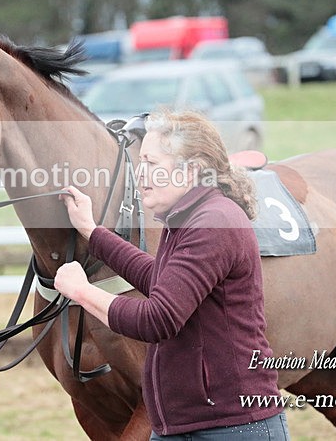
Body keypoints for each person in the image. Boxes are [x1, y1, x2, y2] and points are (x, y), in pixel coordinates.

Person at [55, 111, 289, 440]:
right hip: (189, 426)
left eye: (151, 163)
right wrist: (92, 232)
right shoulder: (188, 218)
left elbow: (158, 318)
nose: (141, 173)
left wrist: (81, 292)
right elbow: (161, 280)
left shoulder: (212, 224)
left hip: (232, 427)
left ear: (191, 170)